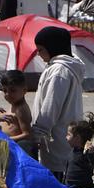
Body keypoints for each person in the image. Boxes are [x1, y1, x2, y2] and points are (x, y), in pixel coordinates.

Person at [32, 26, 85, 179]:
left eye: (41, 50)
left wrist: (37, 135)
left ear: (53, 47)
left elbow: (50, 108)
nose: (38, 54)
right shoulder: (64, 68)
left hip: (56, 142)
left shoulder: (59, 71)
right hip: (62, 140)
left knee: (57, 181)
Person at [0, 70, 35, 158]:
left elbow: (27, 134)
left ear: (24, 90)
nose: (7, 94)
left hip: (16, 149)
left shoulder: (20, 109)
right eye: (4, 90)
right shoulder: (14, 105)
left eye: (12, 90)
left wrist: (7, 139)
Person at [63, 113, 94, 188]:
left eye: (68, 135)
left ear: (77, 138)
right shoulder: (73, 151)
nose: (66, 137)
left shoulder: (87, 152)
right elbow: (67, 171)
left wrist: (92, 154)